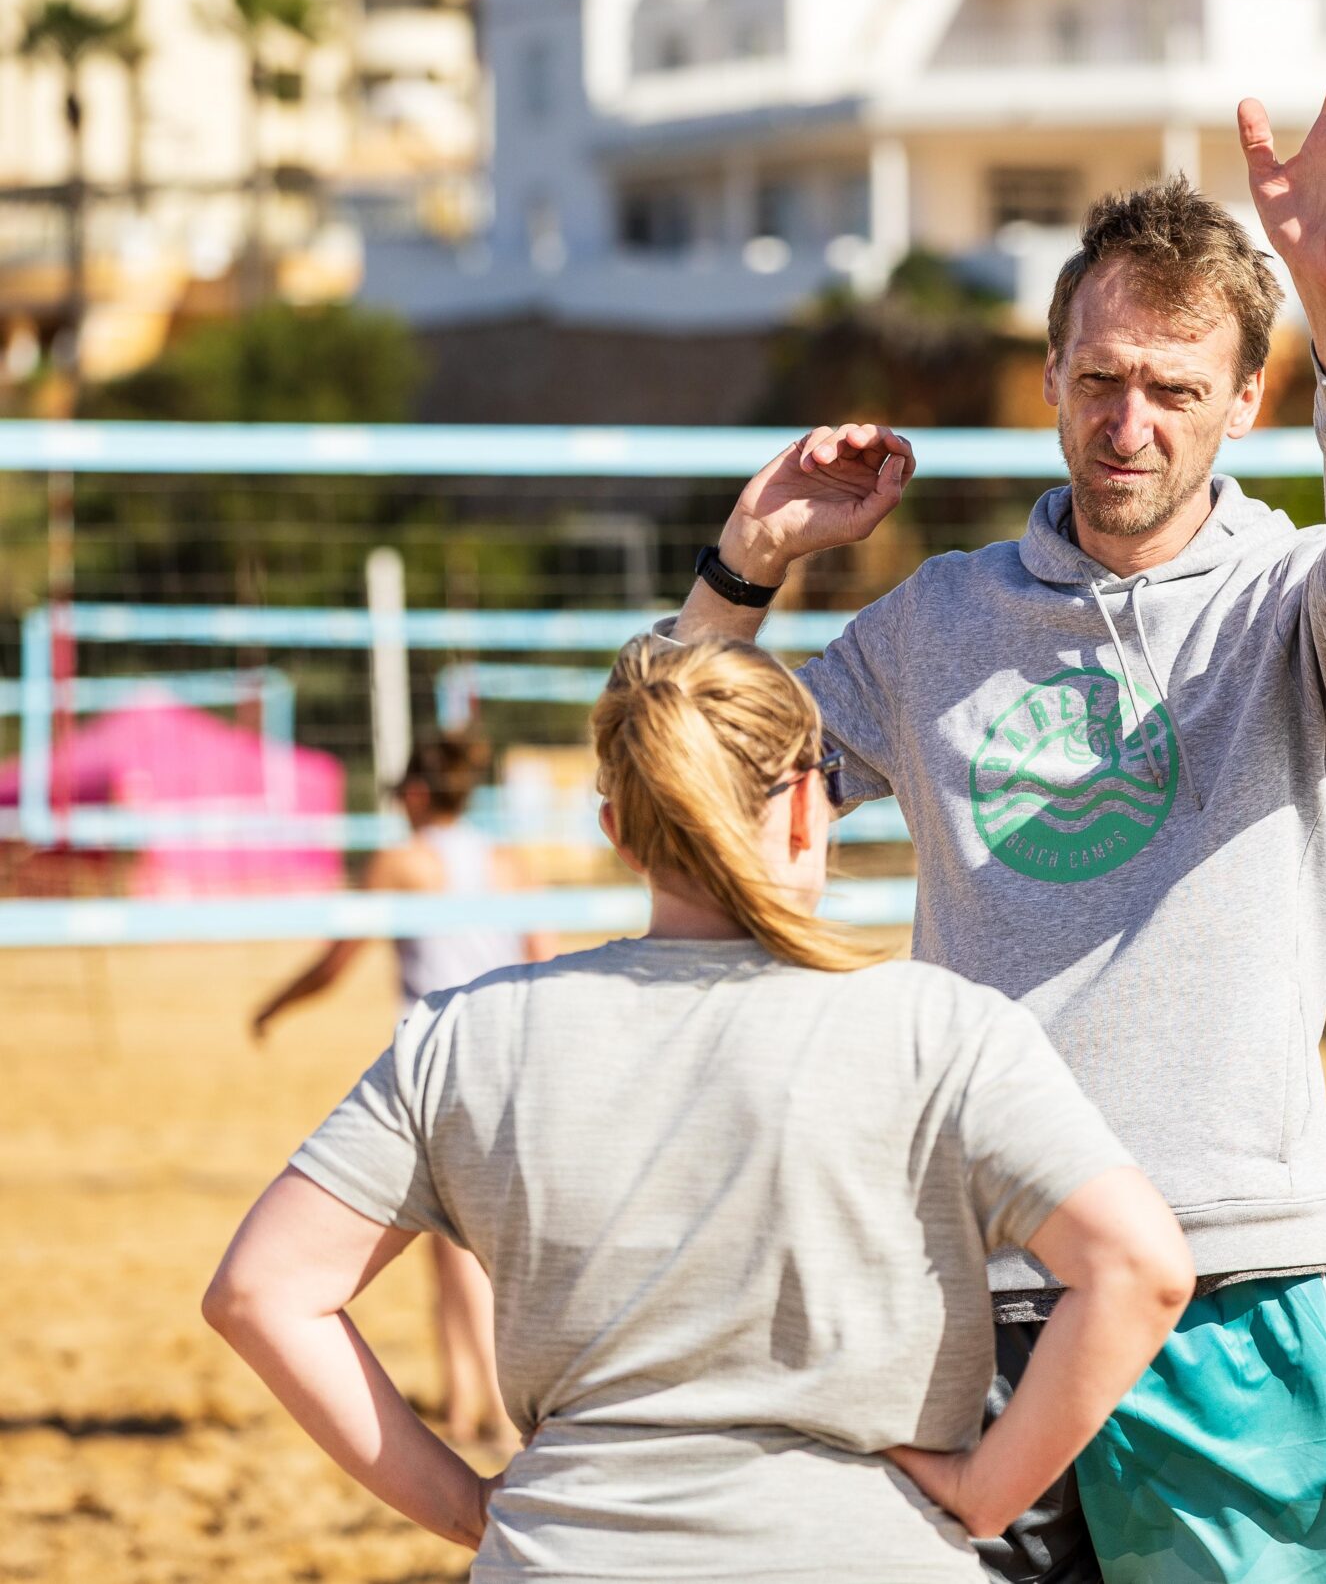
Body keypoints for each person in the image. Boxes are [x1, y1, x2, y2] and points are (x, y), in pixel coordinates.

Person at [661, 26, 1326, 1581]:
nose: (1127, 421)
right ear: (1050, 380)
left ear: (1245, 398)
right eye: (1099, 379)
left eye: (1172, 387)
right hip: (968, 1269)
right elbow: (689, 787)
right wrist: (744, 564)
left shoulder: (1297, 605)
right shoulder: (938, 620)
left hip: (1226, 1270)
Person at [203, 636, 1193, 1580]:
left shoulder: (465, 1035)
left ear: (618, 833)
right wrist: (984, 1493)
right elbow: (1139, 1268)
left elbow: (261, 1292)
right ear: (805, 808)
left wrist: (469, 1507)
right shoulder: (944, 1027)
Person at [248, 732, 549, 1444]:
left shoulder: (402, 861)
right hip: (509, 1051)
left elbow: (335, 963)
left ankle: (492, 1412)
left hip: (440, 1064)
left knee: (457, 1247)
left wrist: (274, 1006)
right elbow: (544, 961)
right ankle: (463, 1401)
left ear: (415, 794)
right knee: (465, 1243)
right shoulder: (508, 862)